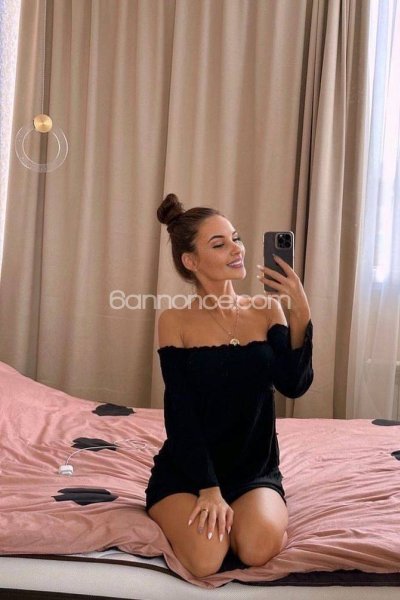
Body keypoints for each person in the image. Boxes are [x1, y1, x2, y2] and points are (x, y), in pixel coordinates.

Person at [145, 193, 313, 578]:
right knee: (205, 560)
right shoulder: (174, 321)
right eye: (219, 244)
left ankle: (251, 518)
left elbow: (294, 384)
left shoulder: (266, 309)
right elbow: (181, 412)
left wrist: (300, 311)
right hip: (189, 474)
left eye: (236, 238)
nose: (237, 249)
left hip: (253, 470)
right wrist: (208, 487)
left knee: (256, 550)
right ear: (191, 261)